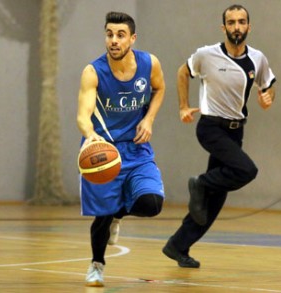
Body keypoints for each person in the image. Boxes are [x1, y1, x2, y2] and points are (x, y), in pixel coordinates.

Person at [162, 4, 276, 268]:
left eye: (242, 22)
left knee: (214, 201)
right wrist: (182, 106)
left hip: (236, 131)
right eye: (231, 22)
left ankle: (178, 245)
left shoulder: (257, 59)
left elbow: (269, 84)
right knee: (247, 170)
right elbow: (182, 72)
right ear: (223, 27)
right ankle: (200, 183)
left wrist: (269, 97)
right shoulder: (206, 55)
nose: (237, 27)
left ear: (249, 26)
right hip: (211, 128)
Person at [77, 11, 166, 287]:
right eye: (109, 34)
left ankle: (119, 213)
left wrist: (149, 119)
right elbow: (83, 113)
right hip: (102, 151)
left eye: (120, 35)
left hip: (137, 150)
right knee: (101, 217)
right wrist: (90, 134)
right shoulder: (93, 71)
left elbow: (159, 89)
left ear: (132, 38)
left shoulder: (149, 63)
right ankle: (96, 264)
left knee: (152, 204)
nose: (113, 40)